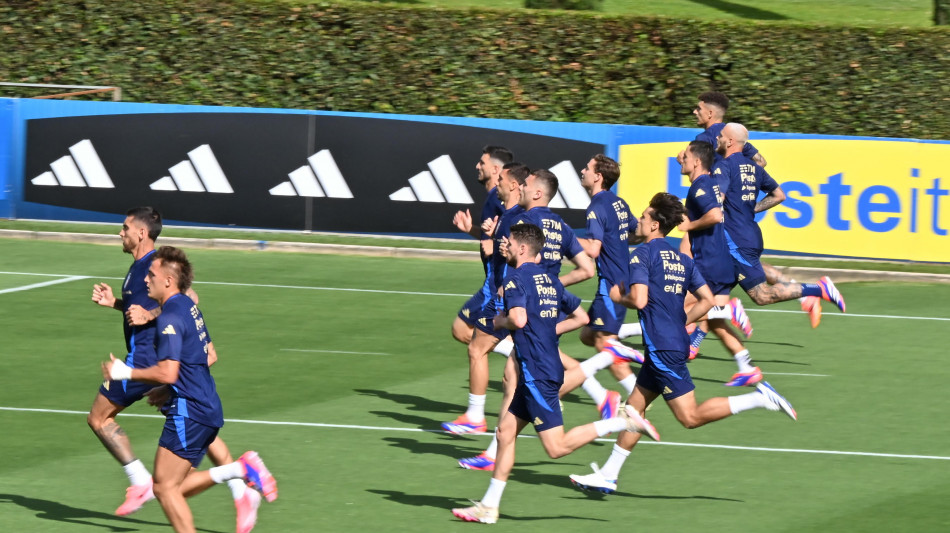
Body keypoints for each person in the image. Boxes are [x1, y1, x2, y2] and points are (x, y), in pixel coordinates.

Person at [569, 193, 797, 495]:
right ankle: (609, 474)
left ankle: (759, 398)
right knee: (632, 412)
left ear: (654, 225)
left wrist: (618, 297)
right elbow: (707, 300)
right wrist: (684, 321)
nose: (639, 220)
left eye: (644, 216)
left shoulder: (642, 255)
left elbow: (639, 299)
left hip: (663, 350)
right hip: (664, 346)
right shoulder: (681, 260)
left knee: (689, 417)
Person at [450, 224, 656, 524]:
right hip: (540, 365)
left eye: (509, 243)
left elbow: (518, 319)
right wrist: (546, 331)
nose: (504, 247)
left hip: (536, 371)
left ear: (523, 248)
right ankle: (489, 506)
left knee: (556, 447)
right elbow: (581, 317)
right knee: (505, 432)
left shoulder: (515, 278)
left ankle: (621, 420)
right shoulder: (549, 281)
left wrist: (498, 322)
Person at [89, 207, 260, 533]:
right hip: (165, 365)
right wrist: (116, 304)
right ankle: (242, 489)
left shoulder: (154, 266)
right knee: (197, 425)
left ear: (142, 232)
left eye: (124, 228)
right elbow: (152, 304)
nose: (120, 233)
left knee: (99, 417)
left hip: (147, 360)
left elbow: (185, 296)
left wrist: (148, 322)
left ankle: (140, 480)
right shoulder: (139, 269)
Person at [456, 168, 615, 471]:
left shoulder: (523, 221)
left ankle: (479, 425)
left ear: (537, 192)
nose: (522, 189)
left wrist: (490, 241)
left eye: (526, 185)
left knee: (487, 355)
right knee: (512, 377)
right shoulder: (561, 226)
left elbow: (503, 253)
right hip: (547, 308)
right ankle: (496, 449)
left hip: (520, 305)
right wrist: (554, 288)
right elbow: (587, 270)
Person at [714, 123, 846, 313]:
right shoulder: (755, 168)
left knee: (761, 295)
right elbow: (779, 195)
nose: (717, 138)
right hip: (746, 236)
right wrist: (751, 208)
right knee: (709, 297)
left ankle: (819, 289)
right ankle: (690, 339)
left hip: (735, 241)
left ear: (730, 141)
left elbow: (718, 201)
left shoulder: (724, 166)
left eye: (720, 136)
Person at [442, 162, 531, 435]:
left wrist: (500, 248)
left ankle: (476, 416)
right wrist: (488, 236)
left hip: (503, 296)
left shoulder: (516, 218)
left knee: (478, 350)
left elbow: (524, 258)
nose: (497, 182)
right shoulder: (509, 216)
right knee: (509, 361)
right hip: (504, 293)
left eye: (502, 178)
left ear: (514, 185)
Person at [677, 140, 765, 385]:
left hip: (710, 262)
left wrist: (689, 225)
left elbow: (715, 215)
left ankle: (730, 308)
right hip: (720, 261)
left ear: (696, 162)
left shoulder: (700, 186)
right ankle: (746, 366)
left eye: (685, 157)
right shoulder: (707, 184)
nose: (681, 159)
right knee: (715, 323)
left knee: (675, 307)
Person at [576, 154, 642, 397]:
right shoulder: (619, 203)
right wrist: (618, 241)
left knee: (605, 345)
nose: (582, 171)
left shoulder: (596, 207)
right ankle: (632, 334)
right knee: (587, 334)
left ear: (598, 176)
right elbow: (638, 232)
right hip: (618, 278)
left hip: (612, 284)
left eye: (587, 167)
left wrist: (563, 237)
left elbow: (593, 248)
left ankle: (637, 398)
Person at [451, 145, 512, 344]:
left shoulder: (498, 197)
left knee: (462, 329)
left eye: (482, 162)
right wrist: (471, 229)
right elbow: (497, 233)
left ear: (495, 169)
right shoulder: (494, 197)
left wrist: (496, 246)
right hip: (497, 279)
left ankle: (578, 373)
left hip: (498, 281)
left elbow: (522, 230)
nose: (477, 166)